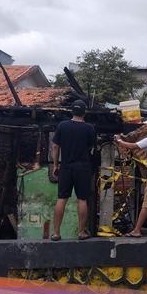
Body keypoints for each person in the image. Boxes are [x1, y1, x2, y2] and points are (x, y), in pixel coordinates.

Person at [51, 100, 96, 241]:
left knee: (61, 198)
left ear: (72, 111)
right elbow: (91, 147)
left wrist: (55, 165)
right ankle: (82, 232)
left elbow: (55, 147)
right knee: (82, 199)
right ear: (84, 113)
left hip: (65, 167)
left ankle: (56, 233)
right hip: (83, 168)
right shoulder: (89, 128)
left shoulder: (62, 126)